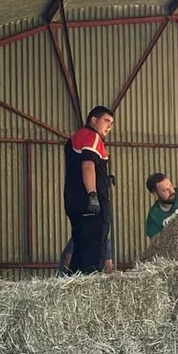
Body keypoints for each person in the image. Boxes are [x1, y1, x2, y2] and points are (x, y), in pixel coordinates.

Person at [63, 105, 114, 275]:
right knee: (93, 252)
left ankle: (75, 283)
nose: (109, 126)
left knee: (81, 247)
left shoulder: (75, 138)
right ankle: (90, 285)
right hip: (91, 204)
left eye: (112, 123)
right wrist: (93, 194)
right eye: (106, 121)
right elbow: (87, 166)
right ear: (93, 120)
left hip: (74, 202)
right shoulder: (92, 136)